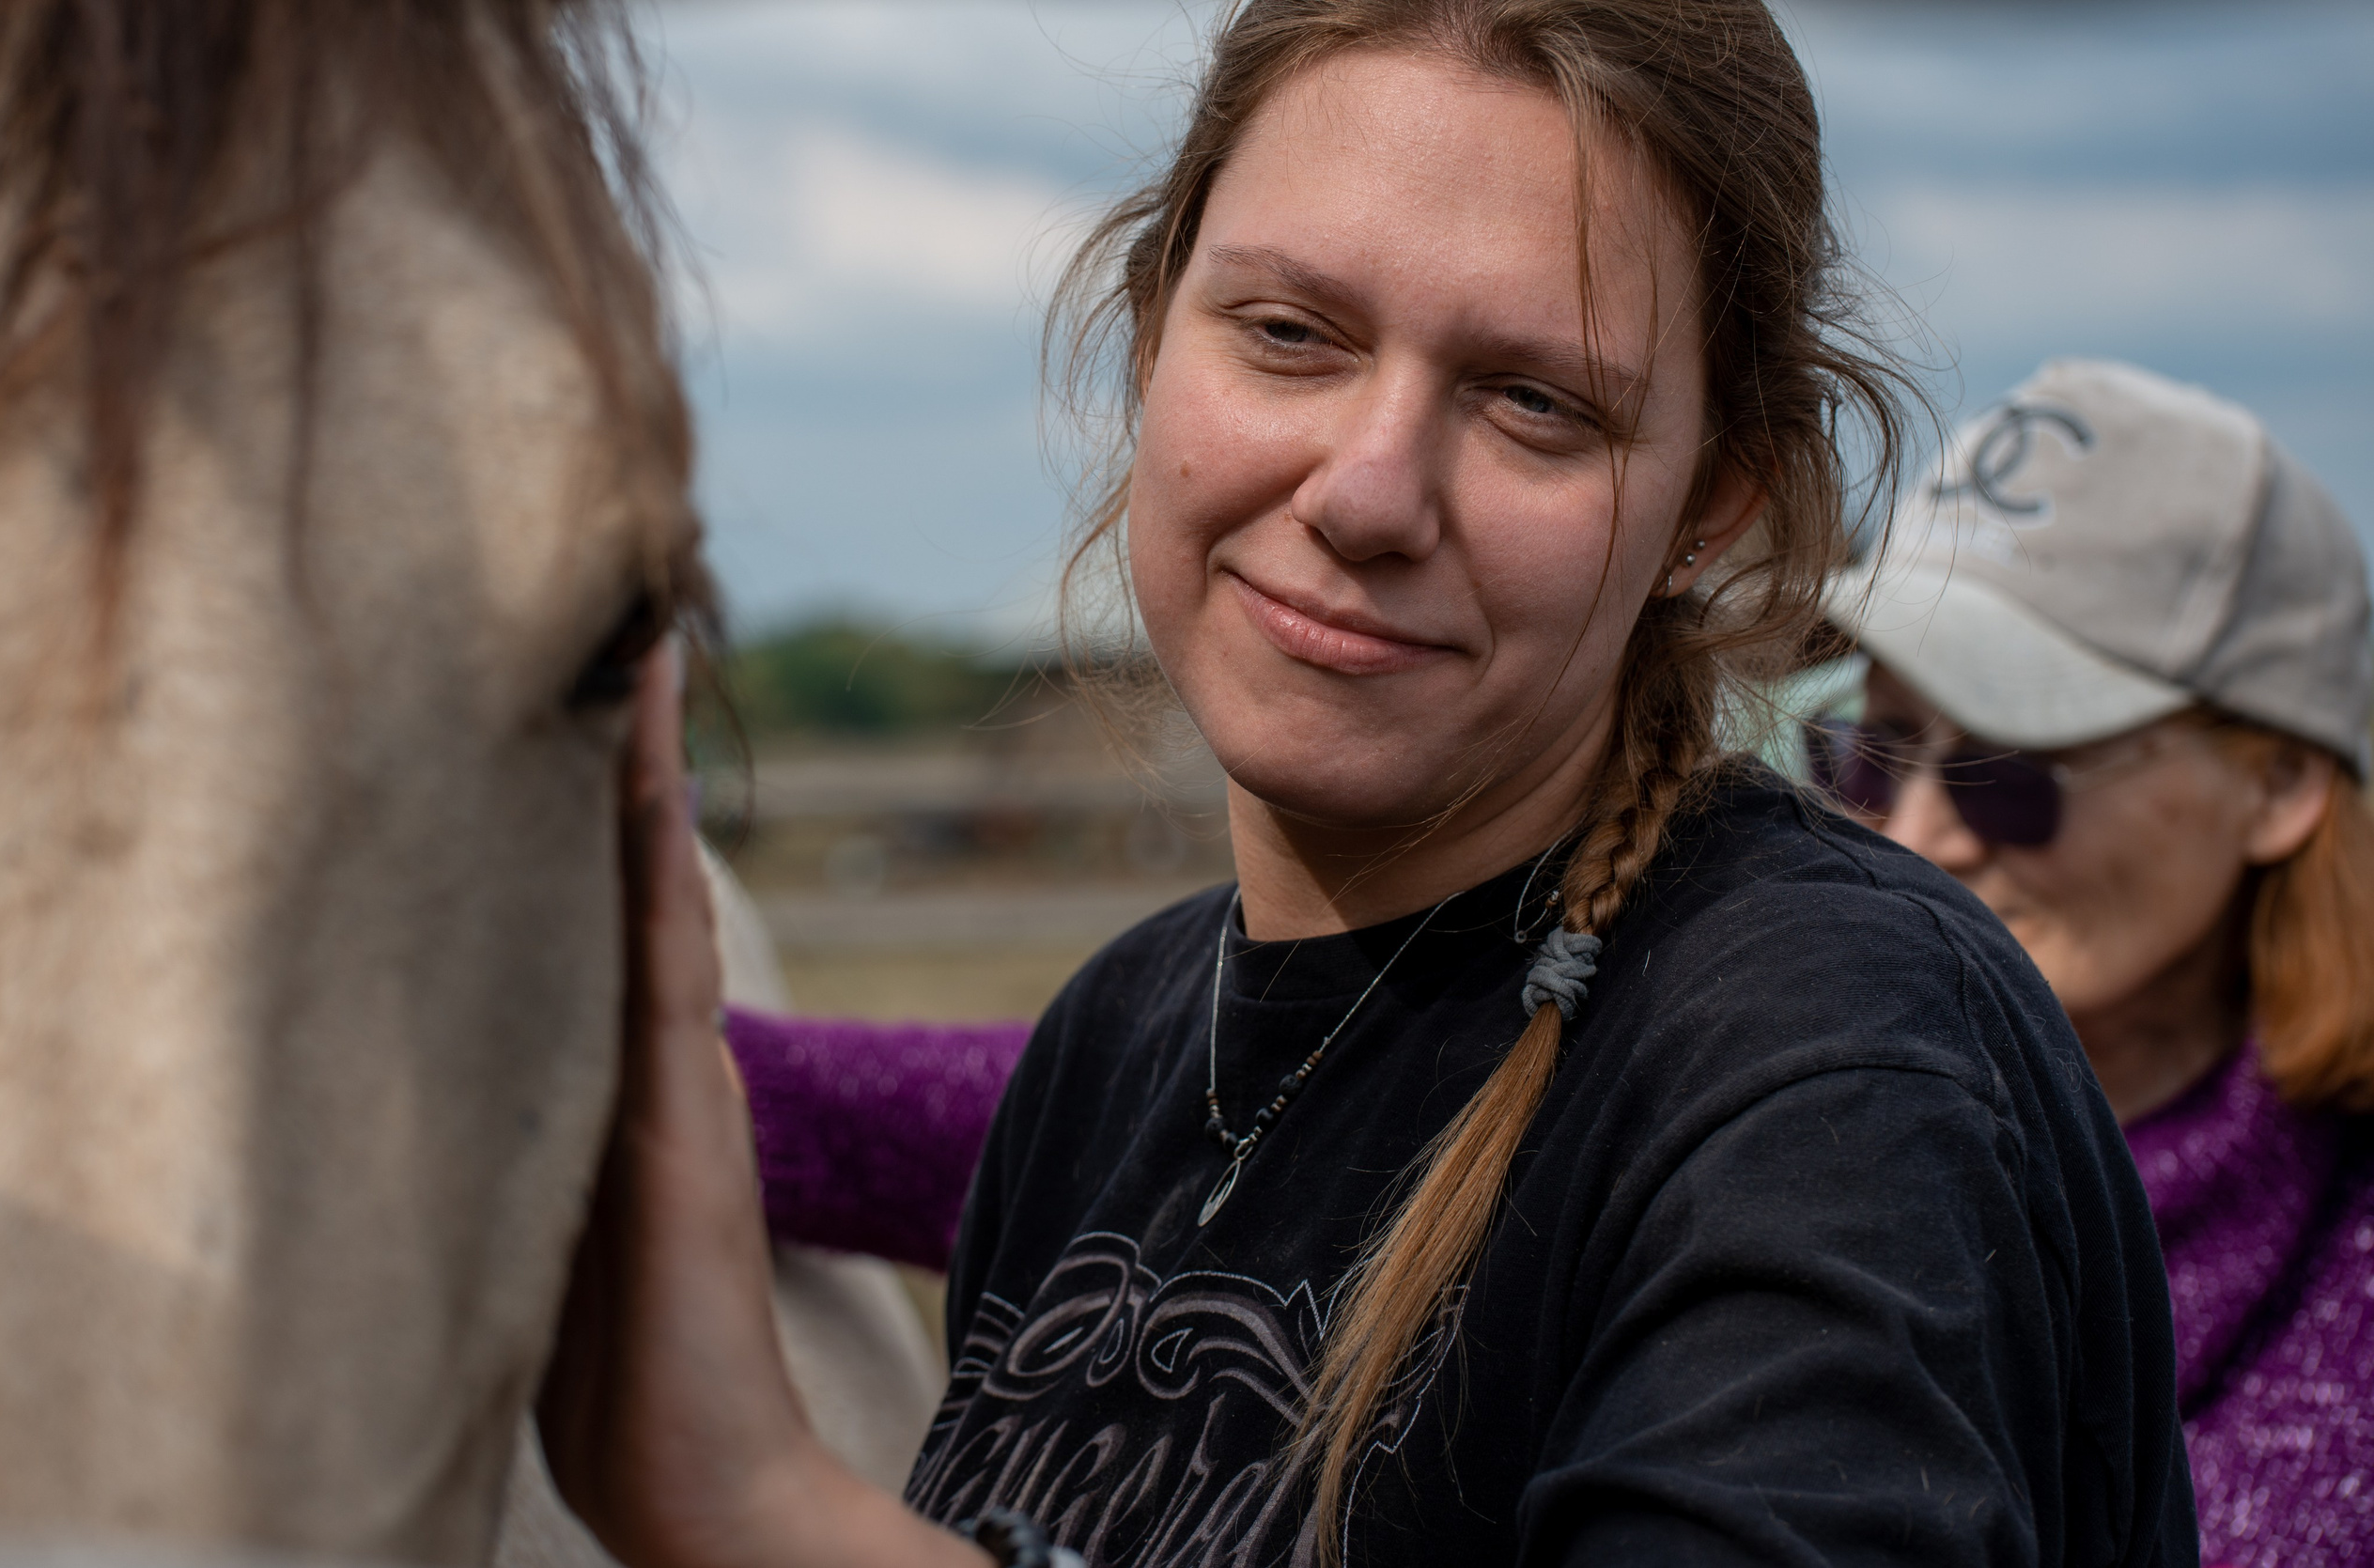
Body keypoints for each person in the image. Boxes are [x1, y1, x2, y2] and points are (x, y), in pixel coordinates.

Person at [540, 4, 2200, 1565]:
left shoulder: (1827, 1067)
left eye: (1536, 402)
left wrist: (766, 1512)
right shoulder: (1116, 1042)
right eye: (1288, 333)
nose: (1370, 490)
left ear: (1716, 504)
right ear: (1148, 339)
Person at [1817, 358, 2374, 1568]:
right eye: (1869, 750)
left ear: (2280, 782)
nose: (1917, 835)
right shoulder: (1761, 1144)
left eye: (2017, 766)